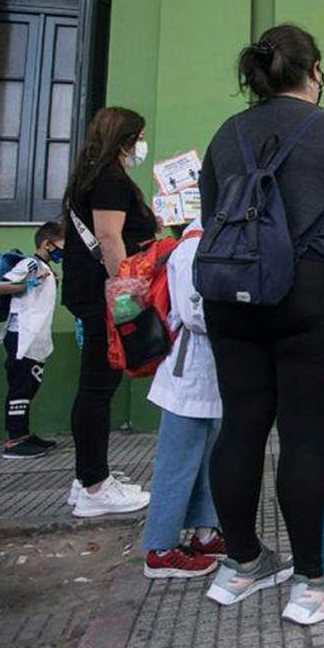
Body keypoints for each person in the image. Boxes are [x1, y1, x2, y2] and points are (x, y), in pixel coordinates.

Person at [200, 24, 324, 626]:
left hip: (230, 297)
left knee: (242, 425)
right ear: (315, 71)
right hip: (313, 293)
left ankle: (242, 563)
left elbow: (211, 221)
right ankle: (313, 580)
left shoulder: (226, 136)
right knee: (304, 435)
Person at [62, 108, 154, 517]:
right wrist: (126, 291)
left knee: (95, 385)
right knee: (99, 387)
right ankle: (94, 485)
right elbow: (108, 236)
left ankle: (87, 478)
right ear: (124, 140)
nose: (140, 148)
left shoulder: (90, 176)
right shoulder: (109, 179)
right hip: (106, 296)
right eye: (138, 139)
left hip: (90, 292)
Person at [142, 219, 228, 579]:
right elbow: (195, 313)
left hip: (209, 372)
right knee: (178, 462)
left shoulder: (214, 236)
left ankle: (205, 533)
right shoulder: (195, 244)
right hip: (187, 372)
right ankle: (160, 548)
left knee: (208, 458)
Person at [0, 222, 64, 459]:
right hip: (22, 335)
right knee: (20, 386)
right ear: (47, 244)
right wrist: (31, 282)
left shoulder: (44, 268)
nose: (63, 252)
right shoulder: (30, 264)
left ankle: (23, 434)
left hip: (35, 338)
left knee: (29, 385)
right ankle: (15, 440)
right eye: (62, 246)